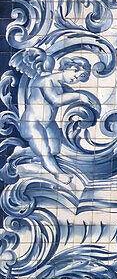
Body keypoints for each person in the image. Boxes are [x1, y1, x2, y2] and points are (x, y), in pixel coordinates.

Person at [20, 55, 91, 183]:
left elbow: (67, 95)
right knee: (45, 152)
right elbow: (55, 100)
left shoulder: (60, 85)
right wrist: (78, 96)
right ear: (66, 67)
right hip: (32, 123)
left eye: (79, 77)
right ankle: (58, 174)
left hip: (48, 124)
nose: (75, 77)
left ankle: (24, 152)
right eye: (75, 71)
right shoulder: (46, 81)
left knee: (55, 149)